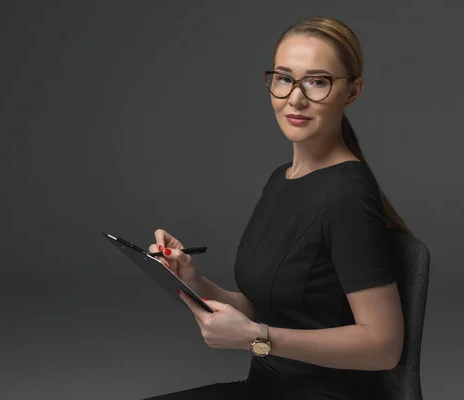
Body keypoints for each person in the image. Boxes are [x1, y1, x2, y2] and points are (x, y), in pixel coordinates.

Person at [143, 15, 410, 400]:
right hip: (265, 389)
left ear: (352, 92)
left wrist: (257, 338)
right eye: (285, 78)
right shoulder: (281, 179)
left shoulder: (348, 194)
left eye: (318, 82)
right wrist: (193, 280)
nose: (296, 98)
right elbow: (267, 306)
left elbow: (383, 347)